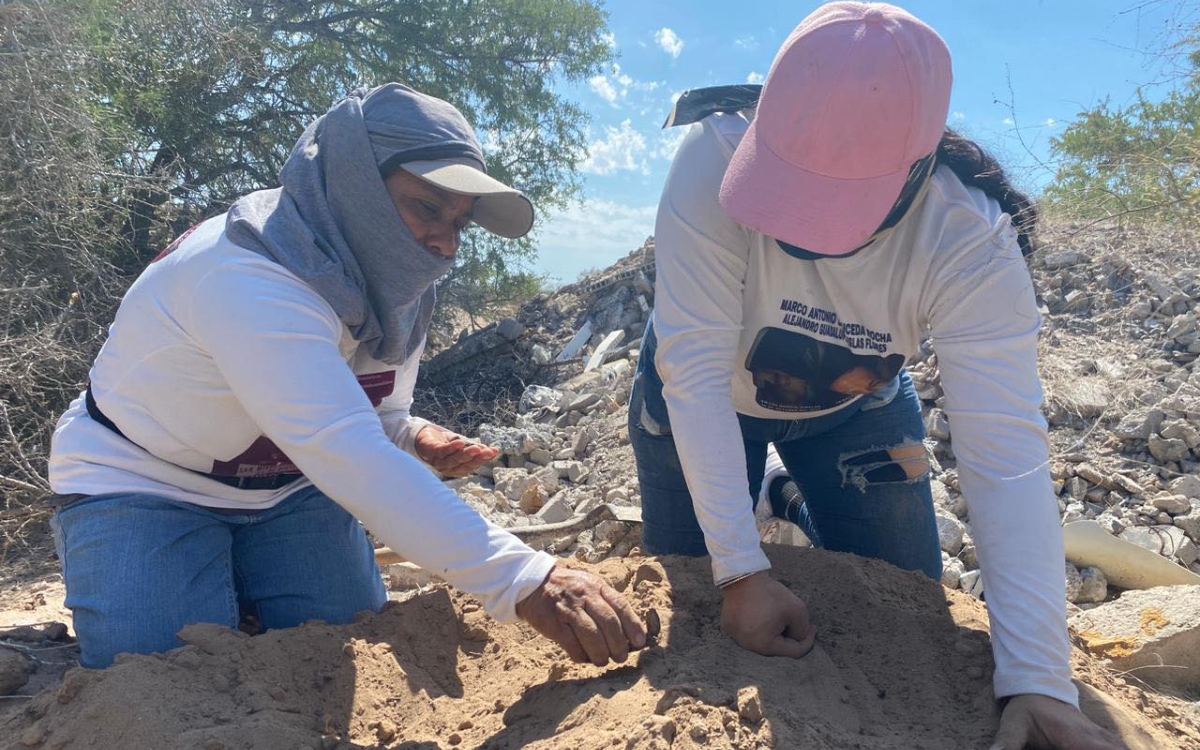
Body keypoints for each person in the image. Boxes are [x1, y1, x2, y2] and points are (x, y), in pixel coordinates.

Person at [628, 4, 1126, 750]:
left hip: (852, 407)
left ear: (915, 171)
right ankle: (751, 506)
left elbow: (1007, 460)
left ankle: (783, 494)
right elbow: (693, 373)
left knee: (908, 609)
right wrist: (738, 572)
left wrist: (1038, 679)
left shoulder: (969, 239)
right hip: (698, 400)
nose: (796, 233)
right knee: (697, 598)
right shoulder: (711, 153)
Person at [48, 83, 646, 670]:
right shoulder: (248, 275)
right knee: (159, 673)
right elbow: (341, 444)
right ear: (355, 185)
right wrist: (526, 579)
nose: (445, 242)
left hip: (289, 490)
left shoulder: (395, 288)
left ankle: (230, 573)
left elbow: (371, 415)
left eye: (461, 222)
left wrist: (411, 436)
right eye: (427, 207)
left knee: (350, 638)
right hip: (146, 481)